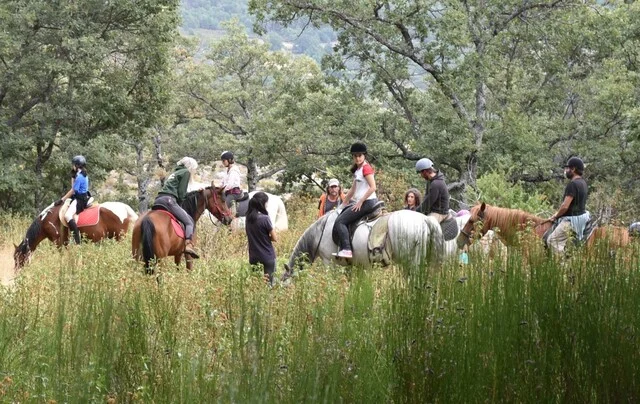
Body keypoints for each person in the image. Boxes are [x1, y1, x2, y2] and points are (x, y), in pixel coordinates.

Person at [333, 142, 378, 259]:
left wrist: (360, 201)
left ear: (364, 156)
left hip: (367, 202)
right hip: (363, 201)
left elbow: (373, 187)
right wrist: (343, 204)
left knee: (340, 222)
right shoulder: (358, 170)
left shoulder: (366, 168)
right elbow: (353, 189)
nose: (357, 158)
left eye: (360, 156)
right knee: (342, 214)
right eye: (355, 156)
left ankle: (347, 249)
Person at [153, 157, 200, 258]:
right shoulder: (185, 172)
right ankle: (188, 245)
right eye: (194, 169)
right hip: (169, 201)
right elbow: (181, 193)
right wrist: (181, 203)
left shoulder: (175, 172)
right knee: (189, 222)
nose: (194, 171)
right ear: (191, 167)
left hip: (158, 200)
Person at [546, 157, 590, 253]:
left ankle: (562, 266)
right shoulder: (583, 183)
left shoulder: (573, 184)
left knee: (552, 241)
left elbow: (565, 206)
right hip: (581, 217)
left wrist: (555, 216)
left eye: (567, 168)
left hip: (572, 220)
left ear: (573, 169)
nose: (566, 171)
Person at [56, 155, 90, 244]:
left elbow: (73, 190)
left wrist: (62, 200)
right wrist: (72, 177)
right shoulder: (82, 174)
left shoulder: (79, 177)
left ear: (77, 165)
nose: (72, 166)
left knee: (67, 216)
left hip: (80, 200)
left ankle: (77, 239)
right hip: (80, 197)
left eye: (73, 165)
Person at [246, 192, 277, 285]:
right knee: (269, 284)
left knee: (256, 285)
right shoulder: (265, 218)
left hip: (254, 257)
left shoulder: (248, 219)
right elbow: (275, 238)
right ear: (262, 203)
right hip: (267, 256)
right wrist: (267, 238)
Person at [415, 158, 450, 223]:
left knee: (426, 225)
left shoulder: (436, 184)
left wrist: (415, 211)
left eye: (421, 173)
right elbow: (426, 198)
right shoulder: (430, 181)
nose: (421, 175)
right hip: (433, 210)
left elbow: (428, 203)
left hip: (439, 213)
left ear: (425, 171)